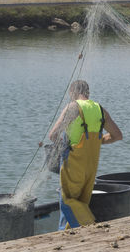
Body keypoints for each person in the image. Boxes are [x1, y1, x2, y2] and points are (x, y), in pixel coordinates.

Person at [48, 79, 122, 230]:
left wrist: (64, 145)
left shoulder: (73, 107)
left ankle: (88, 226)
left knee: (67, 199)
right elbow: (117, 135)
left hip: (73, 163)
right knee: (81, 200)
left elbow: (53, 135)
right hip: (91, 166)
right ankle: (67, 232)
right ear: (87, 92)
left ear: (72, 92)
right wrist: (95, 142)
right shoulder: (99, 109)